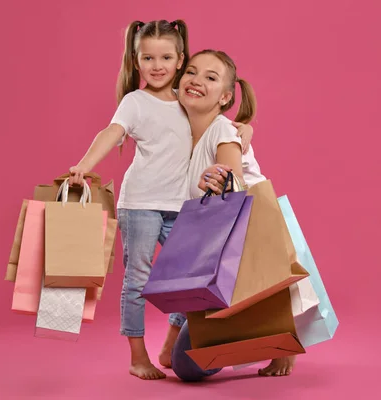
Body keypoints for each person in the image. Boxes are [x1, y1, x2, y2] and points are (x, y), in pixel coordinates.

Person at [67, 21, 254, 380]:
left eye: (166, 57)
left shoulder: (188, 99)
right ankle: (138, 357)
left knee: (189, 279)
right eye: (148, 58)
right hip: (139, 203)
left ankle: (169, 346)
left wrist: (246, 126)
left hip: (182, 205)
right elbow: (112, 133)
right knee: (138, 279)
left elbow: (220, 120)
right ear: (135, 62)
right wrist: (84, 166)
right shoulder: (135, 102)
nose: (157, 66)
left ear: (180, 59)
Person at [168, 49, 295, 381]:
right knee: (184, 357)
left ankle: (282, 343)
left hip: (248, 235)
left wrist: (218, 179)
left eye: (210, 78)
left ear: (225, 97)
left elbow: (234, 186)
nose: (196, 81)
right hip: (218, 241)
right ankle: (183, 340)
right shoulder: (178, 132)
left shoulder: (223, 132)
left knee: (188, 368)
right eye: (191, 72)